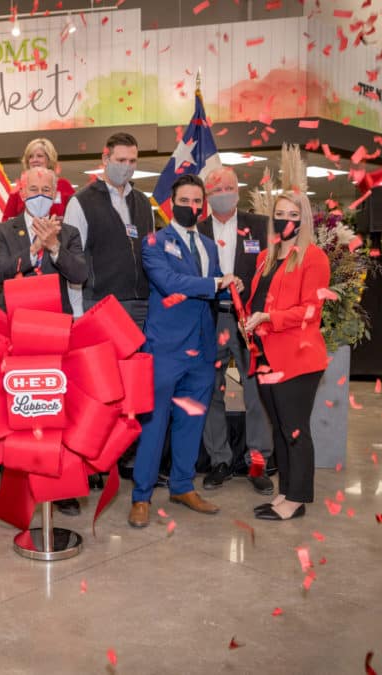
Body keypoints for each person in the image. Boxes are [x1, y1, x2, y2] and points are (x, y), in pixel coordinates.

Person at [128, 174, 242, 529]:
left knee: (191, 421)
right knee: (154, 423)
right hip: (165, 348)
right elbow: (170, 283)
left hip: (203, 347)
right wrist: (214, 283)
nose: (192, 207)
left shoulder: (208, 246)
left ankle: (181, 486)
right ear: (171, 204)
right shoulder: (154, 242)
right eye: (185, 201)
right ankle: (142, 496)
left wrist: (231, 287)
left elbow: (215, 290)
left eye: (197, 201)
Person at [0, 166, 88, 515]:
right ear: (21, 192)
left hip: (56, 333)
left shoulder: (69, 231)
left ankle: (60, 487)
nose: (41, 195)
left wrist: (55, 247)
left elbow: (80, 273)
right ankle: (15, 484)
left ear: (57, 194)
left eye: (48, 189)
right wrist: (32, 250)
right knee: (16, 409)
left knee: (56, 410)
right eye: (34, 189)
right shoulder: (3, 230)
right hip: (15, 332)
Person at [244, 191, 330, 521]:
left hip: (297, 357)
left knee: (295, 429)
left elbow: (311, 310)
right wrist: (249, 318)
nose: (285, 220)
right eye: (279, 213)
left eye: (292, 214)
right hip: (265, 353)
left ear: (303, 219)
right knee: (279, 428)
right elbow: (260, 299)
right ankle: (285, 491)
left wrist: (270, 318)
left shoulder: (314, 257)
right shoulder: (265, 256)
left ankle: (297, 498)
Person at [197, 166, 275, 495]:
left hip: (249, 321)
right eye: (216, 189)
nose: (224, 193)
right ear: (206, 196)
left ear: (238, 189)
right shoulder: (196, 230)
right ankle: (219, 460)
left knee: (255, 392)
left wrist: (258, 310)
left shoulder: (259, 226)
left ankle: (257, 462)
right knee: (209, 392)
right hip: (210, 318)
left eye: (229, 187)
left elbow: (271, 272)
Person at [62, 132, 155, 327]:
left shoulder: (143, 202)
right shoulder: (80, 202)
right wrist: (77, 313)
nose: (127, 166)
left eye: (132, 161)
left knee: (140, 358)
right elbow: (72, 260)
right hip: (100, 303)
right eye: (121, 160)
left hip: (141, 305)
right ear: (105, 159)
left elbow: (150, 253)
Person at [1, 138, 76, 221]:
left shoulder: (63, 185)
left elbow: (74, 216)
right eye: (30, 157)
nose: (34, 160)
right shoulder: (19, 189)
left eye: (39, 156)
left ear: (49, 159)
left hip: (57, 232)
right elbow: (6, 222)